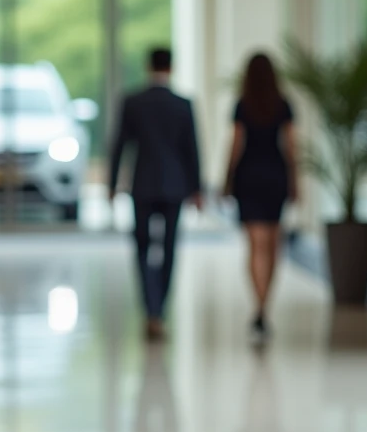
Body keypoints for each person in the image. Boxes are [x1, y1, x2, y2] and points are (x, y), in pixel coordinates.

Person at [109, 48, 203, 342]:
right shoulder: (183, 104)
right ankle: (159, 308)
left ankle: (151, 309)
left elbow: (119, 145)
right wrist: (197, 188)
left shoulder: (133, 102)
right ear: (171, 67)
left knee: (142, 248)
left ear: (148, 66)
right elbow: (193, 149)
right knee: (170, 248)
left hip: (143, 184)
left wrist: (111, 184)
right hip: (175, 186)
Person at [222, 53, 298, 340]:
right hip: (275, 176)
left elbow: (236, 144)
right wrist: (295, 181)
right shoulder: (283, 105)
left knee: (255, 246)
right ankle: (265, 306)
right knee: (273, 245)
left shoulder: (243, 105)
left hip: (249, 177)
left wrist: (226, 178)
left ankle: (259, 307)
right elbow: (291, 146)